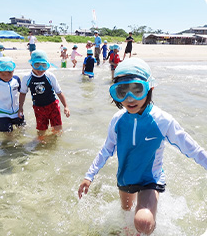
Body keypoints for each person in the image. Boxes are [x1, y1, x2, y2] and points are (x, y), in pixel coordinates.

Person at [78, 58, 207, 235]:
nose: (129, 98)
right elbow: (106, 149)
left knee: (143, 222)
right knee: (126, 220)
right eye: (122, 91)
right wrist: (89, 175)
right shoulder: (118, 120)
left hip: (150, 180)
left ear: (149, 88)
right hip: (125, 179)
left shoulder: (163, 120)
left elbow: (191, 148)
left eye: (137, 90)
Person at [18, 50, 70, 138]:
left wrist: (66, 106)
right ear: (31, 64)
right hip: (38, 108)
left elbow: (59, 92)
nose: (40, 69)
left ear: (47, 65)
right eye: (37, 65)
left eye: (44, 65)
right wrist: (20, 108)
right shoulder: (27, 78)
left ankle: (54, 144)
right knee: (41, 132)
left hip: (53, 106)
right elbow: (22, 93)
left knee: (58, 130)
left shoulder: (50, 76)